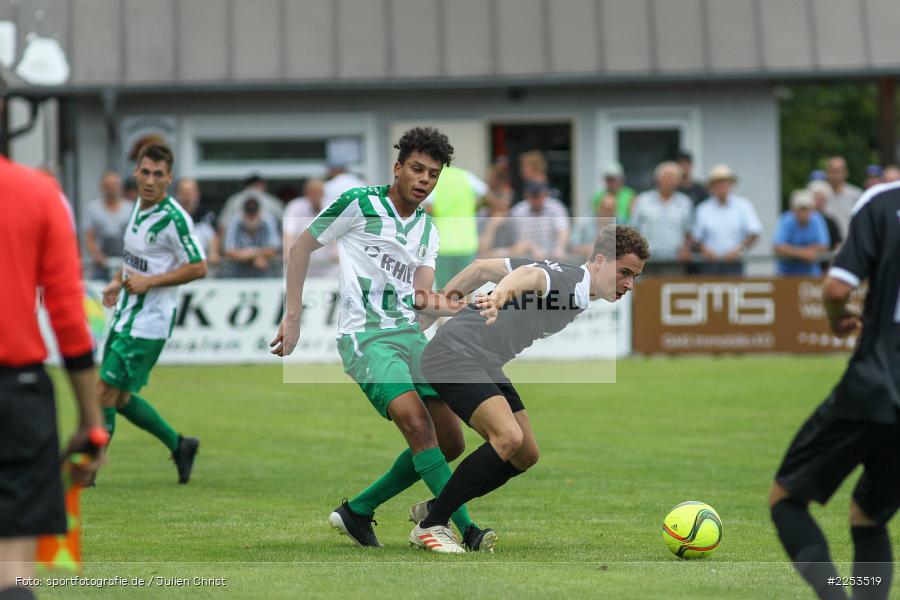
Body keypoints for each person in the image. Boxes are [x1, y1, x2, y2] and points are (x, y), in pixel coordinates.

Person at [270, 127, 495, 552]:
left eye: (433, 174)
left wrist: (470, 307)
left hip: (410, 336)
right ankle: (463, 528)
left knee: (451, 441)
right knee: (417, 425)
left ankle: (357, 510)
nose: (424, 179)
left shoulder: (428, 230)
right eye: (417, 169)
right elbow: (300, 249)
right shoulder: (359, 203)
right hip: (366, 338)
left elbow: (422, 297)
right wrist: (293, 317)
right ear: (397, 167)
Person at [407, 225, 649, 553]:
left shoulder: (567, 274)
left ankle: (436, 507)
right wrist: (498, 297)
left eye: (634, 277)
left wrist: (433, 308)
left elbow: (479, 269)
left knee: (526, 454)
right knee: (508, 438)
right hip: (456, 354)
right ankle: (431, 525)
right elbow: (529, 276)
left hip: (484, 361)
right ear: (600, 261)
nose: (629, 284)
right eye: (624, 273)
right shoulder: (571, 284)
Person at [770, 180, 900, 600]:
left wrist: (836, 317)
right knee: (868, 516)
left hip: (878, 380)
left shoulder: (883, 202)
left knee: (786, 498)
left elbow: (836, 288)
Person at [0, 83, 106, 600]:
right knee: (12, 569)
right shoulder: (38, 194)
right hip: (14, 394)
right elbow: (67, 314)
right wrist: (91, 422)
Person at [98, 143, 207, 484]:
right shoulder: (136, 207)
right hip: (127, 315)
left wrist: (150, 282)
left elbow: (199, 266)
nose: (149, 180)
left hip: (148, 324)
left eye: (158, 175)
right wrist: (118, 281)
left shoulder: (174, 218)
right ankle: (180, 444)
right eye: (145, 172)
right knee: (120, 398)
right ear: (136, 173)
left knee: (103, 393)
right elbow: (134, 259)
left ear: (168, 178)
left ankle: (87, 471)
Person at [691, 165, 762, 276]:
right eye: (718, 184)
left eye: (725, 183)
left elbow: (754, 233)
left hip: (734, 263)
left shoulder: (743, 206)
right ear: (712, 187)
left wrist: (739, 250)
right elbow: (695, 237)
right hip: (709, 264)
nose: (722, 187)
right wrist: (705, 250)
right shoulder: (703, 209)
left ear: (731, 185)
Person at [427, 166, 487, 289]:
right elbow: (486, 192)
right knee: (466, 289)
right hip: (467, 244)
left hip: (443, 245)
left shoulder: (433, 178)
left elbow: (428, 207)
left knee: (444, 290)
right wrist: (475, 207)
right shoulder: (465, 176)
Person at [631, 161, 693, 276]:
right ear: (658, 179)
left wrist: (686, 249)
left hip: (674, 262)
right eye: (666, 177)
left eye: (673, 177)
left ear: (678, 181)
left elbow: (689, 232)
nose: (669, 180)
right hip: (646, 262)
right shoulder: (642, 200)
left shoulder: (685, 202)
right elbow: (634, 229)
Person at [83, 171, 134, 280]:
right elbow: (89, 237)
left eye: (114, 184)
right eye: (108, 185)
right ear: (102, 186)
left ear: (120, 186)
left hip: (126, 265)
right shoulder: (92, 208)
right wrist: (97, 256)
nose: (111, 188)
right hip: (101, 265)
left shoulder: (130, 208)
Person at [283, 178, 338, 278]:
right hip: (302, 266)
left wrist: (336, 254)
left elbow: (337, 233)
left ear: (323, 192)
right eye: (312, 192)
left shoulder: (332, 206)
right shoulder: (295, 207)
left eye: (318, 192)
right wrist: (289, 256)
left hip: (329, 267)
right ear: (306, 193)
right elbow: (288, 234)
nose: (315, 195)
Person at [773, 190, 831, 277]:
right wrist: (804, 254)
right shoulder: (785, 219)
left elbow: (823, 246)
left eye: (806, 209)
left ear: (812, 209)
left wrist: (793, 251)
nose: (803, 212)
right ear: (793, 209)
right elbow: (778, 246)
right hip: (785, 274)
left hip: (811, 274)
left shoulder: (817, 219)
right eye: (800, 209)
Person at [510, 181, 570, 261]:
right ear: (526, 196)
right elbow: (519, 238)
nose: (536, 201)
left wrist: (560, 248)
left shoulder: (556, 207)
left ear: (545, 194)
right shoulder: (518, 211)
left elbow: (563, 230)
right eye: (533, 197)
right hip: (527, 256)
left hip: (553, 254)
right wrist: (533, 248)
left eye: (538, 196)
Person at [222, 197, 281, 278]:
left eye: (254, 215)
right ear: (243, 213)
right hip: (238, 271)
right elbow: (229, 251)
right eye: (249, 215)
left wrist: (248, 254)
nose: (251, 219)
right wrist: (255, 257)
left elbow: (273, 250)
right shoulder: (236, 221)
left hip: (264, 271)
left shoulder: (267, 220)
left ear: (259, 213)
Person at [218, 174, 285, 235]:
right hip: (267, 242)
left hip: (239, 243)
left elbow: (222, 226)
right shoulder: (272, 201)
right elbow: (285, 224)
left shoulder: (233, 200)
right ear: (262, 185)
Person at [175, 177, 220, 267]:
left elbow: (215, 236)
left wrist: (214, 253)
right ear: (178, 194)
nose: (187, 196)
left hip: (203, 264)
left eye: (190, 191)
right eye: (184, 192)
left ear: (197, 193)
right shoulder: (171, 216)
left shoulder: (207, 215)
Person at [825, 155, 863, 239]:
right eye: (832, 171)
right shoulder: (821, 196)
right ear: (827, 173)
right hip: (828, 245)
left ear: (845, 173)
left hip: (850, 242)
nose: (835, 175)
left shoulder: (856, 195)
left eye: (838, 171)